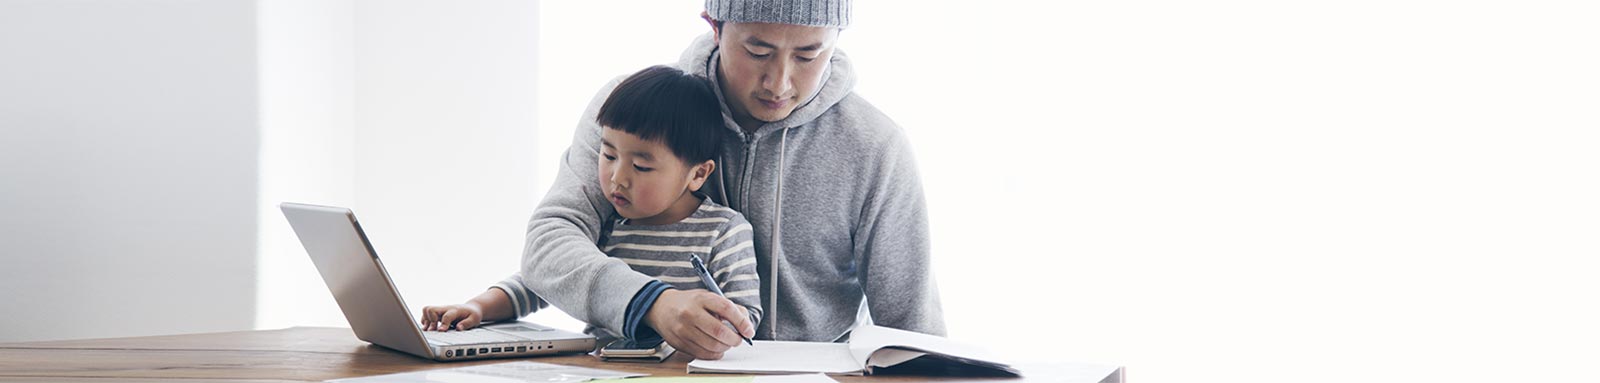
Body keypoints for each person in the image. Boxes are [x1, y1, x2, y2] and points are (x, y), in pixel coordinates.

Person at [433, 0, 945, 360]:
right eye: (758, 50)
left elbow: (913, 331)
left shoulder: (877, 148)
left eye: (810, 54)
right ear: (715, 27)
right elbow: (550, 247)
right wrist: (653, 304)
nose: (779, 83)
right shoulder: (633, 113)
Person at [419, 66, 761, 350]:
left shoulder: (724, 231)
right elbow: (543, 281)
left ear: (698, 174)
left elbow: (747, 317)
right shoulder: (610, 225)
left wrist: (716, 327)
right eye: (608, 155)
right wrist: (477, 307)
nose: (617, 178)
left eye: (641, 166)